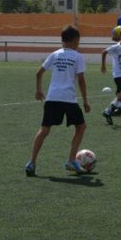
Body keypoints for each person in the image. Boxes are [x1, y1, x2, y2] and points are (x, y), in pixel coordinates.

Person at [25, 25, 91, 177]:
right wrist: (86, 101)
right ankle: (71, 160)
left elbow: (39, 73)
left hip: (52, 98)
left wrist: (39, 90)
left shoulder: (54, 54)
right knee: (81, 127)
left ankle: (31, 162)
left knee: (44, 130)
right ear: (75, 40)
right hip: (68, 99)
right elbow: (81, 79)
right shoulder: (78, 56)